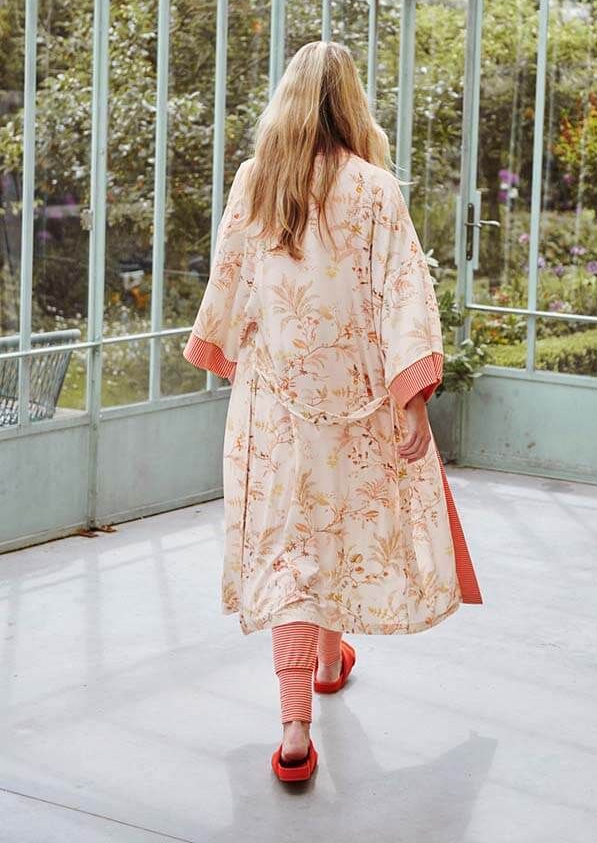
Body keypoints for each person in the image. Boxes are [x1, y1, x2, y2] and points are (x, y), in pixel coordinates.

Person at [183, 40, 482, 783]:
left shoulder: (255, 181)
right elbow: (403, 295)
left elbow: (229, 283)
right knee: (336, 531)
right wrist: (412, 401)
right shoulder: (375, 190)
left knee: (290, 549)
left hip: (273, 407)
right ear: (351, 102)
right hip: (359, 403)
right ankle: (325, 664)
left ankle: (294, 730)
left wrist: (229, 357)